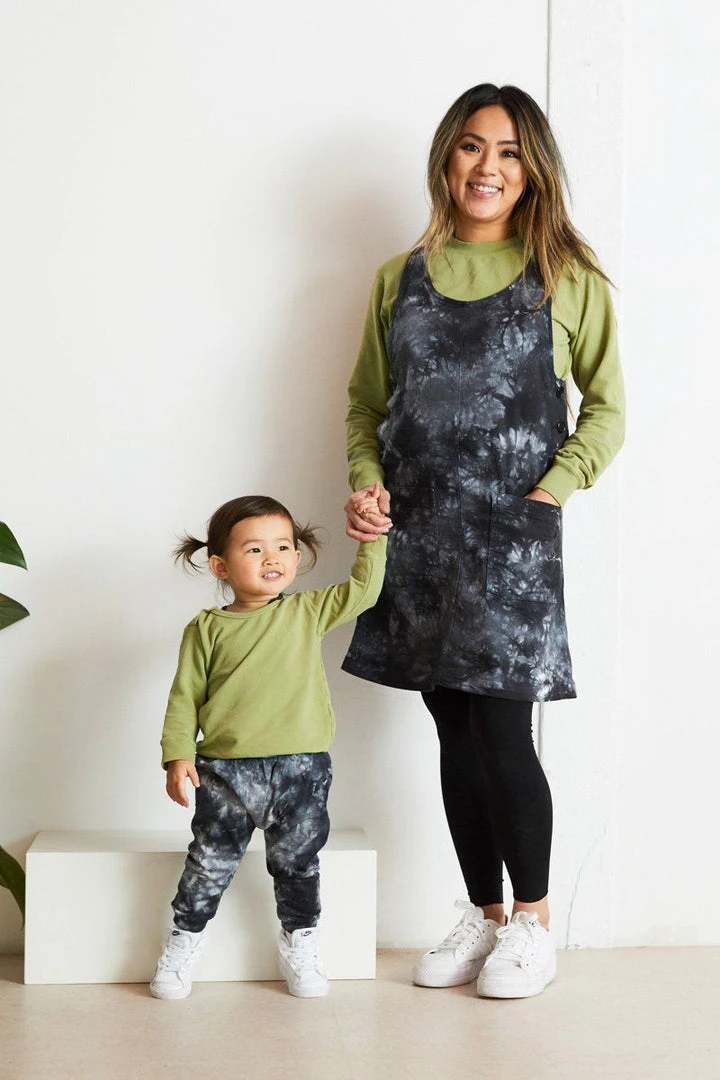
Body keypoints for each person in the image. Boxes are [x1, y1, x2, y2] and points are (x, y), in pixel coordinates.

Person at [342, 83, 625, 999]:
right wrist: (366, 485)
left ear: (532, 169)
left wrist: (552, 489)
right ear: (446, 160)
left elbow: (609, 411)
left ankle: (534, 924)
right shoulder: (399, 277)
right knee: (453, 727)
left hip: (513, 540)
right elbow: (366, 406)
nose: (487, 167)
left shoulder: (569, 276)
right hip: (420, 537)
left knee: (502, 725)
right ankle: (485, 915)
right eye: (471, 147)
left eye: (508, 152)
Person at [149, 491, 387, 1001]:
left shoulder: (307, 611)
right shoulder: (206, 628)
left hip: (301, 769)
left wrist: (372, 538)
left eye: (282, 547)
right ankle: (183, 941)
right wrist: (178, 755)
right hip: (224, 773)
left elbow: (365, 590)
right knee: (208, 863)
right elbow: (184, 696)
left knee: (297, 864)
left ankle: (301, 941)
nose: (271, 558)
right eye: (254, 549)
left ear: (297, 559)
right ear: (221, 566)